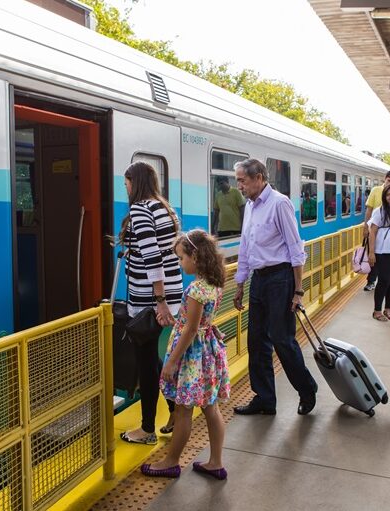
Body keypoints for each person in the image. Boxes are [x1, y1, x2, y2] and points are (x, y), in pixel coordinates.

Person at [141, 229, 230, 479]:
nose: (180, 264)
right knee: (211, 408)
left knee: (182, 410)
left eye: (182, 258)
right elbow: (202, 322)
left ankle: (171, 461)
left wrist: (170, 362)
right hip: (208, 353)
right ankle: (216, 462)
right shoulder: (214, 285)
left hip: (191, 356)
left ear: (196, 257)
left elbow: (190, 330)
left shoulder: (195, 290)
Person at [233, 159, 318, 416]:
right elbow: (246, 247)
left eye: (242, 180)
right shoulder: (249, 206)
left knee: (282, 340)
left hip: (281, 279)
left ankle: (307, 389)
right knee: (256, 342)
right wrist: (240, 285)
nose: (239, 185)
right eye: (238, 180)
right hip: (259, 280)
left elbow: (295, 248)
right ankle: (265, 399)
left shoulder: (279, 203)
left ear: (258, 177)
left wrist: (298, 290)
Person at [119, 161, 183, 444]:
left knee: (146, 364)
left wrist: (159, 301)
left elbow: (152, 258)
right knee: (154, 360)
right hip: (168, 295)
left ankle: (146, 429)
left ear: (136, 182)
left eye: (127, 183)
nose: (126, 189)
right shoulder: (163, 208)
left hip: (148, 301)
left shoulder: (140, 209)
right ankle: (174, 412)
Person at [367, 184, 390, 321]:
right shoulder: (380, 211)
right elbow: (373, 231)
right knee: (384, 279)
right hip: (383, 251)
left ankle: (388, 309)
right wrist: (371, 253)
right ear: (385, 197)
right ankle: (377, 311)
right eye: (388, 195)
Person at [363, 170, 390, 291]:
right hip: (376, 231)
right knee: (374, 256)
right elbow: (369, 210)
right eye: (389, 180)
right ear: (384, 179)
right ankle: (371, 281)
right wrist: (366, 227)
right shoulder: (376, 190)